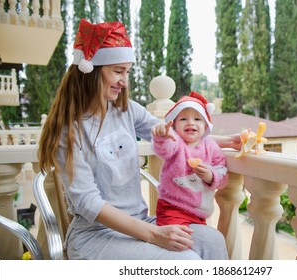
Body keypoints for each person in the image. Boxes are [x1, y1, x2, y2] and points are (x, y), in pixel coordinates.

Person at [38, 18, 240, 260]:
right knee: (185, 261)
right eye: (118, 71)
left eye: (127, 72)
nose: (125, 82)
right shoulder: (67, 131)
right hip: (96, 236)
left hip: (139, 222)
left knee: (213, 241)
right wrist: (154, 234)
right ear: (90, 70)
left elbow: (174, 134)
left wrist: (227, 141)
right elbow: (88, 203)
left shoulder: (127, 110)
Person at [152, 92, 228, 227]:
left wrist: (210, 176)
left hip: (199, 214)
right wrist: (162, 137)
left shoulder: (211, 147)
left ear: (205, 126)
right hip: (172, 208)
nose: (190, 123)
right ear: (174, 126)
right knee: (178, 242)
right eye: (183, 119)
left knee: (198, 243)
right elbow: (164, 149)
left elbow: (222, 173)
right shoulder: (176, 141)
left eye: (197, 119)